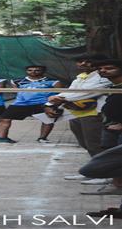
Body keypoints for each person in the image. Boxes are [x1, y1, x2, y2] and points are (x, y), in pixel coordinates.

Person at [45, 54, 111, 183]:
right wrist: (51, 102)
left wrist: (61, 99)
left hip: (93, 115)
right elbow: (70, 92)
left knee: (96, 145)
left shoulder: (104, 77)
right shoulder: (79, 78)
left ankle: (106, 175)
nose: (83, 64)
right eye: (80, 61)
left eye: (88, 61)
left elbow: (90, 92)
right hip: (75, 113)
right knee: (85, 144)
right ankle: (93, 171)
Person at [77, 59, 122, 199]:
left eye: (109, 68)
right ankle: (117, 186)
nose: (103, 70)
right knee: (113, 158)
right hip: (110, 126)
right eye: (101, 68)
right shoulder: (111, 86)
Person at [0, 65, 64, 144]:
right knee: (4, 118)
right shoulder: (17, 81)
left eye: (37, 70)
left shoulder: (53, 81)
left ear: (43, 71)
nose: (33, 72)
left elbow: (59, 94)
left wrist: (52, 105)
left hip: (42, 104)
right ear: (26, 71)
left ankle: (42, 138)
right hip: (21, 104)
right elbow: (16, 92)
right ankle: (2, 137)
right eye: (30, 70)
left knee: (48, 120)